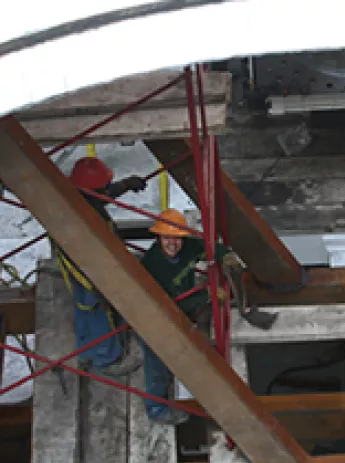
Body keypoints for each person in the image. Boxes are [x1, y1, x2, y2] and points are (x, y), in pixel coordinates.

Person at [137, 208, 244, 425]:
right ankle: (157, 409)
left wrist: (227, 257)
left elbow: (210, 248)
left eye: (177, 238)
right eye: (167, 238)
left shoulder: (188, 247)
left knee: (190, 345)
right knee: (157, 363)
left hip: (183, 308)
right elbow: (169, 304)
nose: (173, 243)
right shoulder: (152, 266)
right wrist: (208, 294)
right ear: (158, 238)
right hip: (156, 315)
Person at [53, 156, 147, 376]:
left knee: (85, 307)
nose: (107, 192)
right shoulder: (78, 214)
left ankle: (87, 351)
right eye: (103, 187)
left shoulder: (76, 196)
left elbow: (100, 196)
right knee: (96, 307)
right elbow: (99, 197)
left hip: (83, 263)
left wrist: (125, 185)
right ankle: (106, 358)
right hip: (89, 267)